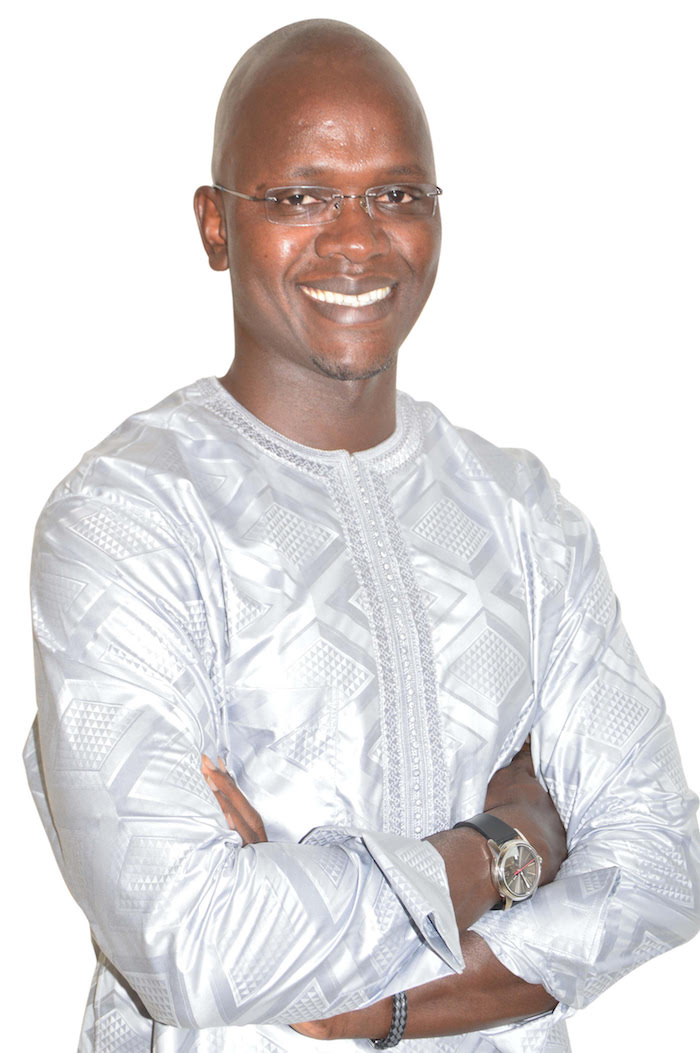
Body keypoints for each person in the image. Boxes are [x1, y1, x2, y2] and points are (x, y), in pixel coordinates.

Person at [23, 18, 699, 1053]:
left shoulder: (523, 516)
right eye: (300, 197)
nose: (356, 240)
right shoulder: (128, 518)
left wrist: (379, 1009)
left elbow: (659, 866)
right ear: (215, 225)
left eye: (397, 195)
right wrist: (510, 843)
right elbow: (191, 946)